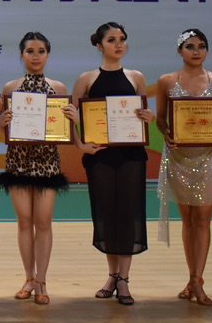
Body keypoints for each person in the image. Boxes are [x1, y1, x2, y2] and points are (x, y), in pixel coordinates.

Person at [66, 21, 154, 306]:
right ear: (99, 45)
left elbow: (143, 115)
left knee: (127, 214)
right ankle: (112, 275)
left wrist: (148, 117)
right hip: (100, 157)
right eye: (112, 40)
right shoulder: (87, 79)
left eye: (122, 39)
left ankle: (124, 279)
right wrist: (81, 145)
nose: (119, 45)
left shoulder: (136, 77)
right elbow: (70, 116)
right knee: (107, 215)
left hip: (131, 156)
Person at [154, 28, 212, 307]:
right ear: (180, 51)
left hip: (209, 156)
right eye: (190, 46)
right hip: (178, 158)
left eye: (201, 46)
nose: (196, 51)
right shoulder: (166, 80)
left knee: (202, 218)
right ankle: (192, 277)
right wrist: (167, 134)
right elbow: (160, 119)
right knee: (187, 219)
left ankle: (197, 280)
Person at [0, 31, 69, 306]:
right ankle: (28, 278)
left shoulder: (58, 88)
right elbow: (1, 129)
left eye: (41, 51)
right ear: (21, 55)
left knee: (44, 221)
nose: (36, 56)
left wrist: (72, 118)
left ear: (48, 54)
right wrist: (1, 121)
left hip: (47, 161)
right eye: (30, 51)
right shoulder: (10, 88)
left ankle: (42, 281)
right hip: (18, 161)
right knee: (24, 221)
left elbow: (64, 129)